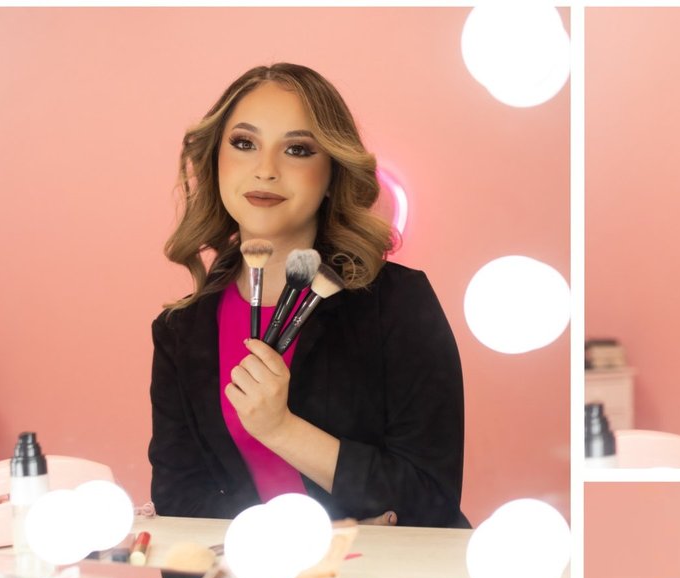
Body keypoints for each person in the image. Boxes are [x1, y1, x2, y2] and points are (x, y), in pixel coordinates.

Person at [149, 66, 467, 528]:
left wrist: (281, 429)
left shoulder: (396, 304)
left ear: (331, 172)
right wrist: (298, 540)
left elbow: (430, 495)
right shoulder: (181, 332)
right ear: (215, 159)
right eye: (244, 143)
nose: (265, 170)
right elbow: (180, 499)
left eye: (297, 150)